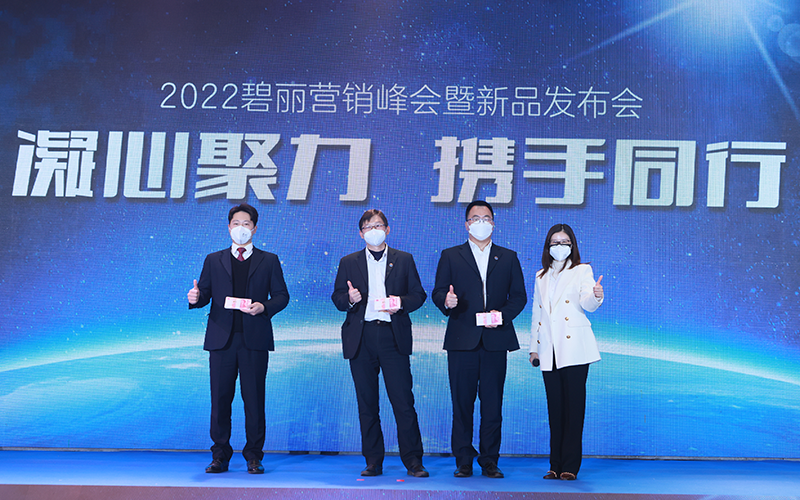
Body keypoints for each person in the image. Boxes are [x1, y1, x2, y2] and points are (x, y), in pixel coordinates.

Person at [187, 203, 289, 474]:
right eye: (236, 223)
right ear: (228, 227)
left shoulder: (269, 260)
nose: (241, 228)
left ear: (254, 228)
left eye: (246, 223)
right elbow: (205, 293)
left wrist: (264, 307)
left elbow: (282, 296)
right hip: (222, 340)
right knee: (220, 400)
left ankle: (254, 455)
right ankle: (219, 455)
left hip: (254, 339)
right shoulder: (213, 259)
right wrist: (196, 298)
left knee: (254, 400)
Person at [432, 200, 527, 479]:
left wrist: (502, 315)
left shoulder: (508, 257)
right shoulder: (451, 255)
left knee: (492, 405)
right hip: (462, 339)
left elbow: (519, 297)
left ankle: (489, 460)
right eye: (475, 218)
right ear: (467, 224)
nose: (481, 222)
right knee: (462, 404)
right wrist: (446, 300)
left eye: (486, 218)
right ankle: (463, 460)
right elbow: (438, 291)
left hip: (495, 340)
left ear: (493, 223)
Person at [331, 209, 429, 478]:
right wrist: (350, 299)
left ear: (387, 229)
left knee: (403, 401)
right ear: (360, 233)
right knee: (367, 403)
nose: (373, 230)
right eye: (368, 227)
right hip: (361, 337)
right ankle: (373, 460)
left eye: (378, 225)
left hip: (392, 335)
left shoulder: (404, 259)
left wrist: (400, 303)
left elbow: (419, 295)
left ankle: (413, 461)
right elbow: (337, 298)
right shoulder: (348, 262)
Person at [529, 223, 604, 481]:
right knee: (555, 408)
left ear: (572, 245)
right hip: (549, 349)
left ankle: (570, 465)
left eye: (564, 242)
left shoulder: (582, 270)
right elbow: (537, 313)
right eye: (555, 242)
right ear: (547, 246)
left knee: (574, 408)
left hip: (574, 349)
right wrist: (534, 348)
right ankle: (555, 464)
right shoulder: (541, 276)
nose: (559, 247)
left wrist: (596, 296)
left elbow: (587, 302)